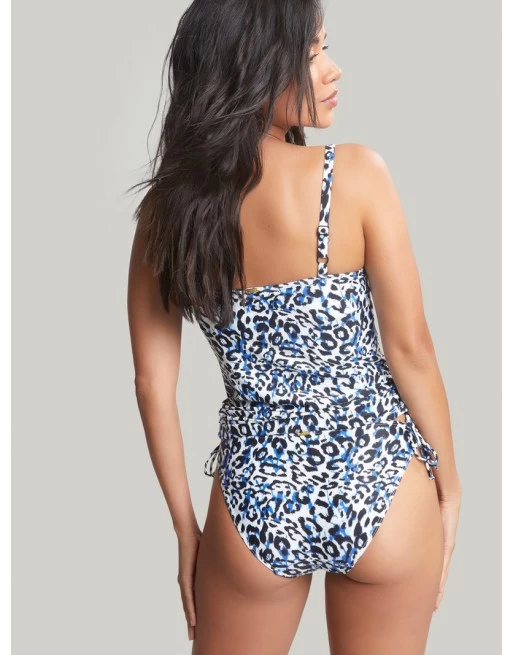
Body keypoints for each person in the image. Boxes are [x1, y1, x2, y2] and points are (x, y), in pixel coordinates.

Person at [127, 1, 462, 653]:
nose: (333, 70)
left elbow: (151, 386)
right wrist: (449, 488)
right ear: (250, 68)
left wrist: (186, 530)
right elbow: (410, 349)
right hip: (382, 484)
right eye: (311, 54)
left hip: (255, 501)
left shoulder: (166, 213)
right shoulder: (354, 174)